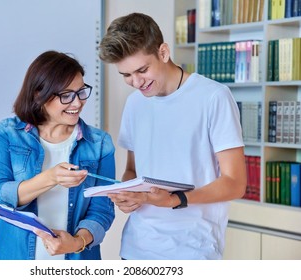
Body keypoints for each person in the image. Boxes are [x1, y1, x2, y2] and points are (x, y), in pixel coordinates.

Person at [98, 13, 247, 260]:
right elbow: (132, 171)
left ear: (164, 52)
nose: (135, 82)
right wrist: (128, 194)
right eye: (126, 75)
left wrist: (174, 200)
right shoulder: (135, 103)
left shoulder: (213, 97)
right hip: (135, 250)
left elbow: (235, 183)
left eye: (142, 70)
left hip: (192, 251)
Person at [0, 50, 115, 260]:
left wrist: (77, 242)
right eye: (66, 95)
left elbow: (102, 210)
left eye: (81, 92)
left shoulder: (99, 143)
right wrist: (51, 178)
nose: (77, 103)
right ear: (39, 94)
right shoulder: (7, 134)